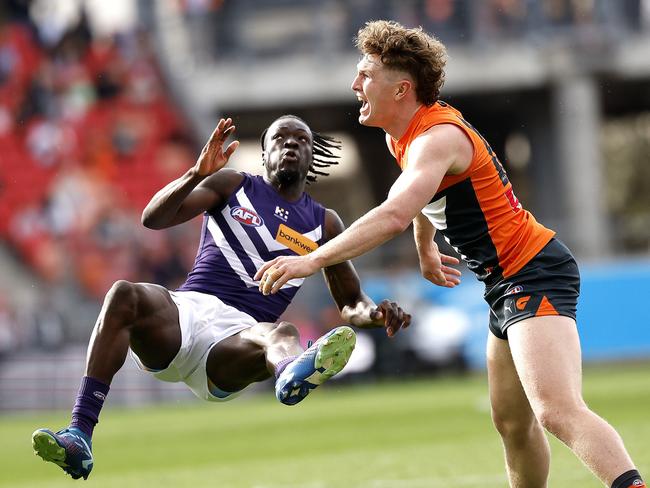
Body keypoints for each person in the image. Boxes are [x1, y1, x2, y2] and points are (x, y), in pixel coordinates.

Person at [256, 20, 645, 488]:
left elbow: (395, 212)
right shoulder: (402, 135)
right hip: (504, 282)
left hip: (532, 271)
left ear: (401, 89)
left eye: (365, 74)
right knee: (511, 422)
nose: (355, 84)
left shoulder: (436, 138)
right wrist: (426, 248)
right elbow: (421, 199)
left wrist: (311, 259)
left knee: (557, 411)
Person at [31, 116, 411, 480]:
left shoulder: (324, 223)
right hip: (186, 314)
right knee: (123, 294)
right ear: (264, 154)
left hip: (237, 340)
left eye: (302, 140)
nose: (291, 144)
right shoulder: (233, 185)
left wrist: (376, 314)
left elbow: (351, 302)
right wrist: (197, 173)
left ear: (312, 156)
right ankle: (80, 434)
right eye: (280, 138)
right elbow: (153, 219)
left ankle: (289, 374)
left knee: (281, 333)